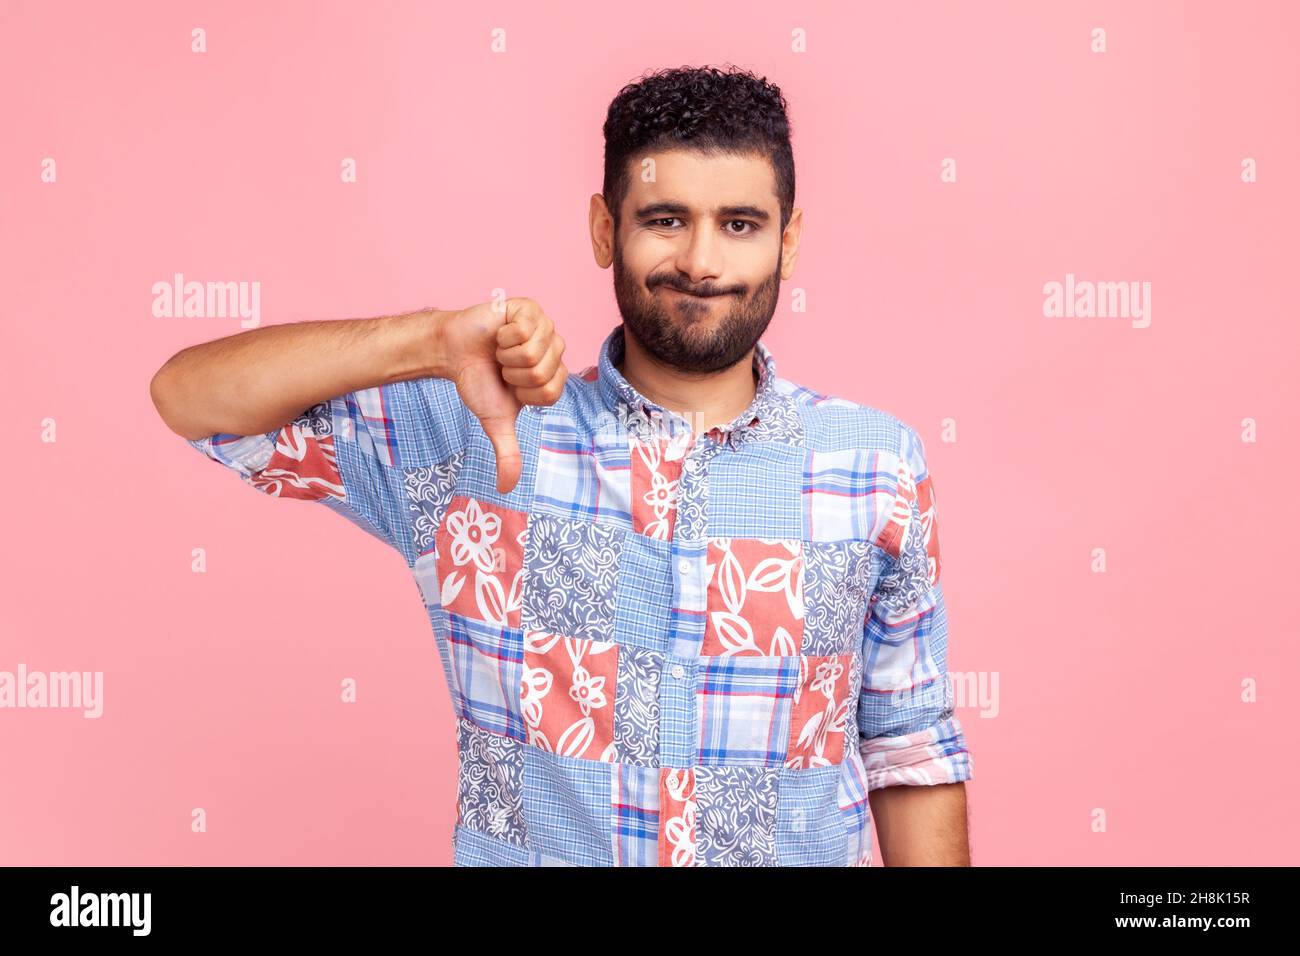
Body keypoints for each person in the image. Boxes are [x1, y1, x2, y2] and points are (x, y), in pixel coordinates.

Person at [150, 64, 973, 867]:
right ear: (604, 230)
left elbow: (910, 749)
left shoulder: (875, 465)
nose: (700, 261)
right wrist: (429, 341)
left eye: (740, 224)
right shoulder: (477, 432)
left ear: (787, 242)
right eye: (664, 219)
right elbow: (194, 399)